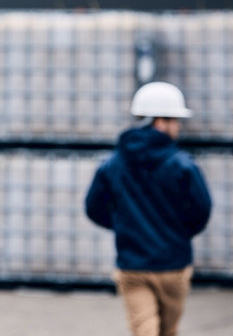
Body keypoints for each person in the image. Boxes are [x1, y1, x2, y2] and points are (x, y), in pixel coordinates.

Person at [85, 82, 212, 336]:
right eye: (176, 120)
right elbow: (201, 210)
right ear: (160, 122)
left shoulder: (113, 164)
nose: (178, 127)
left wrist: (124, 224)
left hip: (133, 265)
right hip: (174, 266)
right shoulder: (182, 166)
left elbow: (93, 208)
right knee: (168, 331)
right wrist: (176, 233)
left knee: (144, 331)